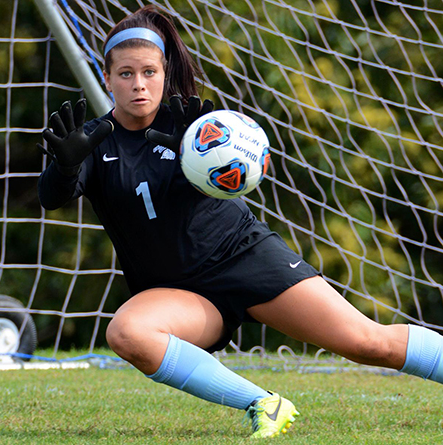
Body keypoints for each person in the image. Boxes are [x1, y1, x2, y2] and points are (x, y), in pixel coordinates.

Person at [37, 5, 443, 439]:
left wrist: (193, 155)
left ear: (164, 72)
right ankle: (263, 403)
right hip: (181, 294)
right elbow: (53, 198)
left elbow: (232, 180)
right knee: (129, 333)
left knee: (368, 343)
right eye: (126, 74)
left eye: (149, 72)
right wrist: (61, 167)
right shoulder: (92, 141)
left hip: (245, 259)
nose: (139, 84)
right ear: (107, 78)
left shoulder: (197, 128)